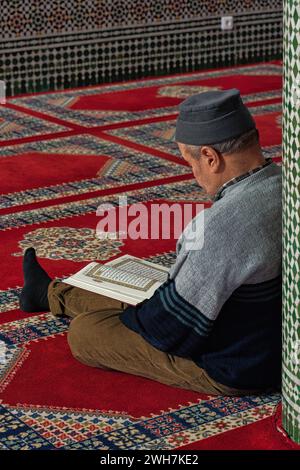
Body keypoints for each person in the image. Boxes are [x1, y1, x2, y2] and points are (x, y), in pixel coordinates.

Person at [19, 89, 282, 396]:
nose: (194, 174)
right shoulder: (286, 187)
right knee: (148, 302)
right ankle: (46, 293)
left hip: (238, 365)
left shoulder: (219, 227)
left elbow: (171, 329)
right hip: (271, 339)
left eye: (191, 163)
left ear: (210, 157)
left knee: (86, 333)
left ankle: (56, 298)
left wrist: (135, 317)